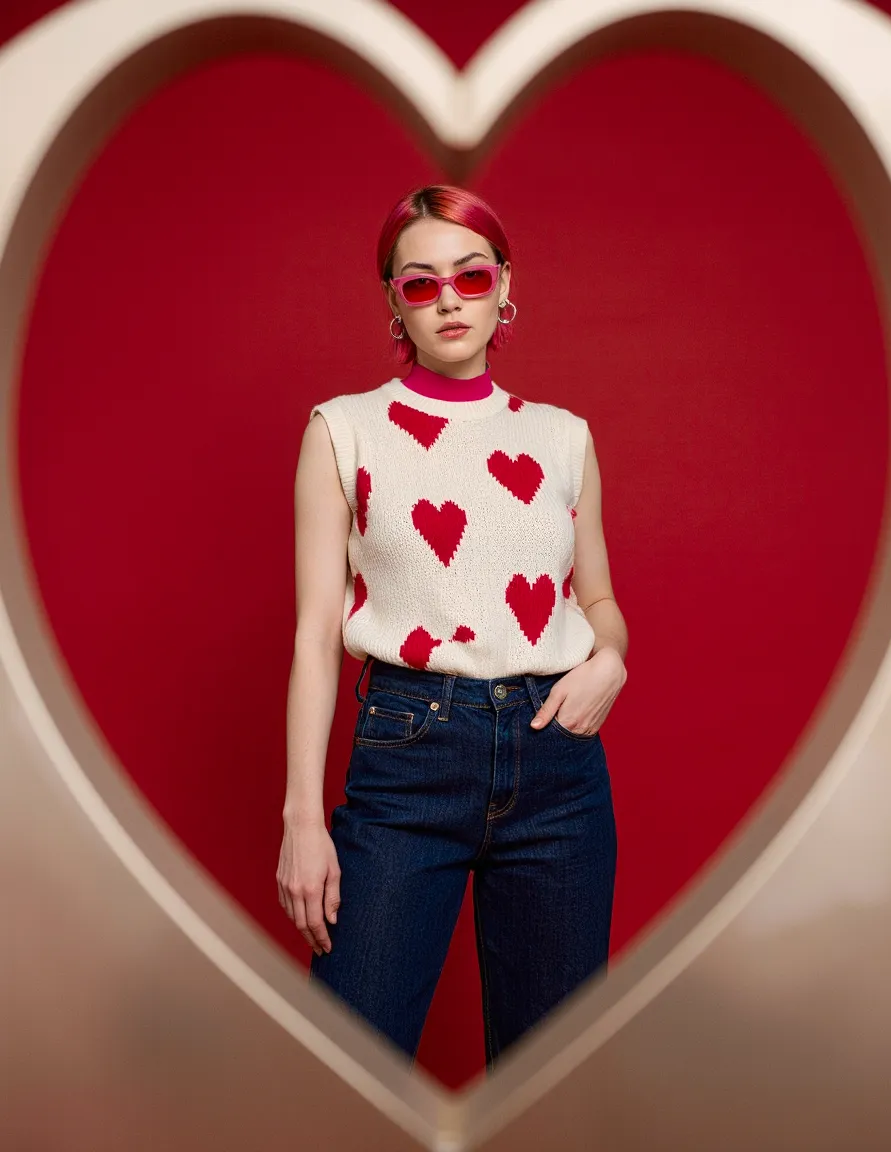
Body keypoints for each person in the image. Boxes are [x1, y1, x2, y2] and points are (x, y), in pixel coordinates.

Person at [277, 184, 628, 1073]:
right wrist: (302, 819)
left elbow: (597, 599)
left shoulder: (561, 438)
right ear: (393, 300)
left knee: (547, 1082)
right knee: (346, 1068)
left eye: (470, 277)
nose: (448, 301)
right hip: (408, 755)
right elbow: (317, 632)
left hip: (558, 766)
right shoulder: (343, 431)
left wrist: (612, 656)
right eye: (420, 283)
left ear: (505, 285)